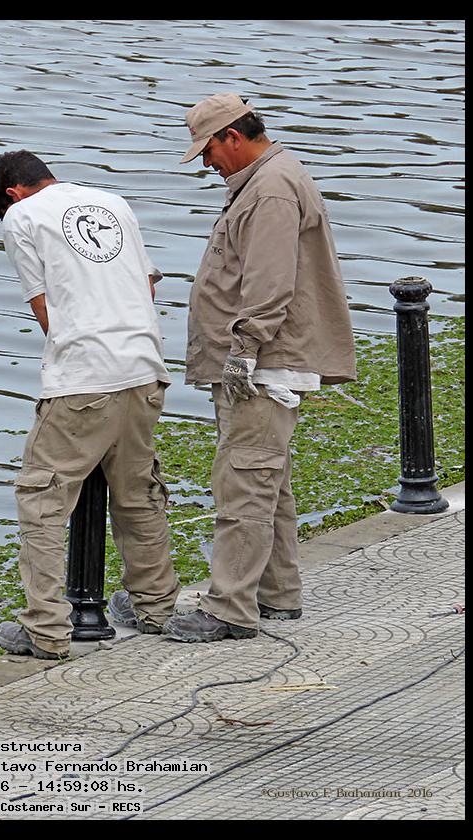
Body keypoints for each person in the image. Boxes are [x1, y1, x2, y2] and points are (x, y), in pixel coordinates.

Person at [162, 94, 356, 643]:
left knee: (244, 481)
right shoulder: (269, 177)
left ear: (233, 136)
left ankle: (229, 608)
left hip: (264, 364)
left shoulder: (270, 187)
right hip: (269, 360)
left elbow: (270, 281)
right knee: (268, 479)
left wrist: (244, 349)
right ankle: (277, 594)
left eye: (208, 150)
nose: (206, 163)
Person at [0, 150, 180, 659]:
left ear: (12, 194)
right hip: (144, 366)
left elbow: (43, 305)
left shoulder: (22, 217)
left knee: (42, 500)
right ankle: (157, 607)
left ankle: (46, 629)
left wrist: (75, 350)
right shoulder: (111, 201)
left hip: (84, 379)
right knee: (137, 492)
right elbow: (148, 285)